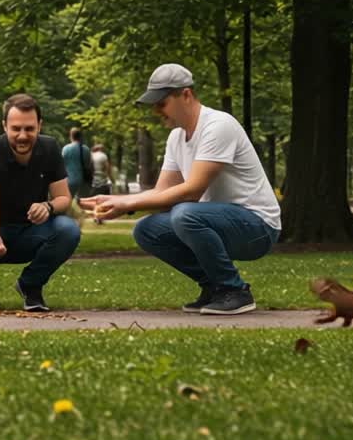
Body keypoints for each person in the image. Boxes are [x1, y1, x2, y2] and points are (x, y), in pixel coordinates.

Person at [79, 63, 280, 315]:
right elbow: (162, 192)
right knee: (147, 230)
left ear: (185, 95)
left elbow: (192, 190)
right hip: (220, 222)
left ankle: (234, 291)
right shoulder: (176, 138)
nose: (155, 111)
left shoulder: (218, 125)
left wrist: (129, 204)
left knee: (185, 213)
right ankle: (214, 287)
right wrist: (118, 201)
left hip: (258, 228)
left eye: (161, 103)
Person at [0, 93, 81, 312]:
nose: (22, 135)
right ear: (4, 126)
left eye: (29, 129)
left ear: (39, 126)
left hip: (32, 232)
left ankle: (30, 286)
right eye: (16, 129)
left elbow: (64, 199)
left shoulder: (50, 149)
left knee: (68, 229)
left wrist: (47, 207)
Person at [61, 127, 93, 199]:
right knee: (82, 203)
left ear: (71, 136)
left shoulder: (66, 148)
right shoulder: (86, 149)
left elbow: (61, 164)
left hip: (69, 180)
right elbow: (88, 165)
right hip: (83, 181)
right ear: (80, 136)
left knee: (67, 202)